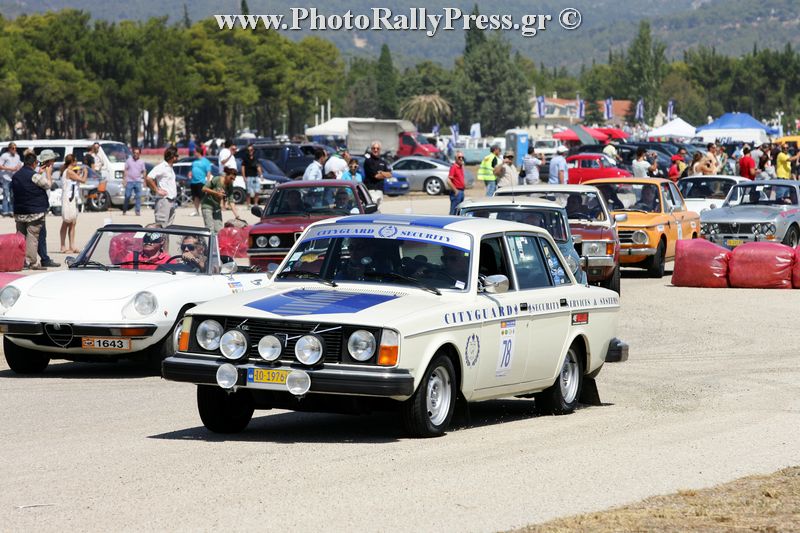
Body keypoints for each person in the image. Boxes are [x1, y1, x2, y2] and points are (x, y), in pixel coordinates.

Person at [11, 150, 55, 270]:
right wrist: (48, 173)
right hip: (34, 212)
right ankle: (32, 262)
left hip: (19, 211)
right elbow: (47, 185)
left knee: (20, 237)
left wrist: (38, 173)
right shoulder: (34, 176)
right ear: (34, 163)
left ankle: (21, 261)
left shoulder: (16, 175)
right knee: (32, 237)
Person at [145, 146, 179, 227]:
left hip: (171, 200)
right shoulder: (162, 167)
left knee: (169, 227)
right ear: (171, 156)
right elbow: (149, 178)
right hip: (164, 200)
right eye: (176, 155)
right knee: (161, 225)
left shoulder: (170, 168)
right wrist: (156, 190)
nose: (178, 157)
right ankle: (153, 234)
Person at [59, 154, 87, 253]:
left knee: (73, 223)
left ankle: (72, 246)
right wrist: (85, 172)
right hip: (68, 199)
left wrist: (78, 173)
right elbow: (83, 180)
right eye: (76, 161)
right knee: (66, 221)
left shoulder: (71, 171)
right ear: (72, 161)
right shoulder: (69, 171)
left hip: (73, 199)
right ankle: (63, 246)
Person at [201, 167, 240, 233]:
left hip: (217, 207)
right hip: (207, 205)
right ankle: (211, 240)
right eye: (231, 178)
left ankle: (217, 240)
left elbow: (231, 201)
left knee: (219, 230)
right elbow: (204, 188)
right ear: (226, 175)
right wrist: (216, 193)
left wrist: (237, 216)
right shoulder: (217, 179)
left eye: (233, 179)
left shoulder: (230, 185)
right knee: (210, 229)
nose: (232, 180)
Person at [122, 146, 146, 216]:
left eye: (137, 153)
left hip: (138, 181)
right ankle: (124, 209)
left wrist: (144, 181)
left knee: (138, 196)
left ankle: (137, 211)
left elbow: (144, 171)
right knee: (127, 196)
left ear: (139, 154)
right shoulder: (128, 160)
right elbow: (125, 170)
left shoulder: (141, 162)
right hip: (129, 181)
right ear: (133, 153)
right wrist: (124, 179)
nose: (136, 154)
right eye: (134, 153)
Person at [189, 150, 213, 216]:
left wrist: (208, 182)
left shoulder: (206, 161)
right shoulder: (194, 162)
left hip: (201, 182)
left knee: (203, 197)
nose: (194, 153)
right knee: (195, 197)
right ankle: (196, 211)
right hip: (193, 182)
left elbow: (208, 172)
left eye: (195, 152)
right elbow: (191, 170)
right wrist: (190, 173)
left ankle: (205, 211)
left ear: (199, 153)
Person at [0, 142, 21, 216]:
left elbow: (19, 164)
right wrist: (10, 169)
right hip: (6, 178)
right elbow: (0, 166)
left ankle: (11, 210)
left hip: (14, 178)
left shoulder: (17, 156)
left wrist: (18, 168)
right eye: (13, 148)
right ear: (9, 149)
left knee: (13, 195)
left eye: (15, 148)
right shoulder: (4, 156)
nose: (14, 149)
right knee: (6, 195)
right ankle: (5, 211)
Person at [446, 151, 466, 215]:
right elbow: (448, 180)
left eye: (462, 157)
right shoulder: (454, 167)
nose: (461, 159)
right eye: (459, 157)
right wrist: (455, 191)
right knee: (453, 211)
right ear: (456, 158)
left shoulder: (460, 167)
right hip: (457, 192)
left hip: (461, 191)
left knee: (459, 211)